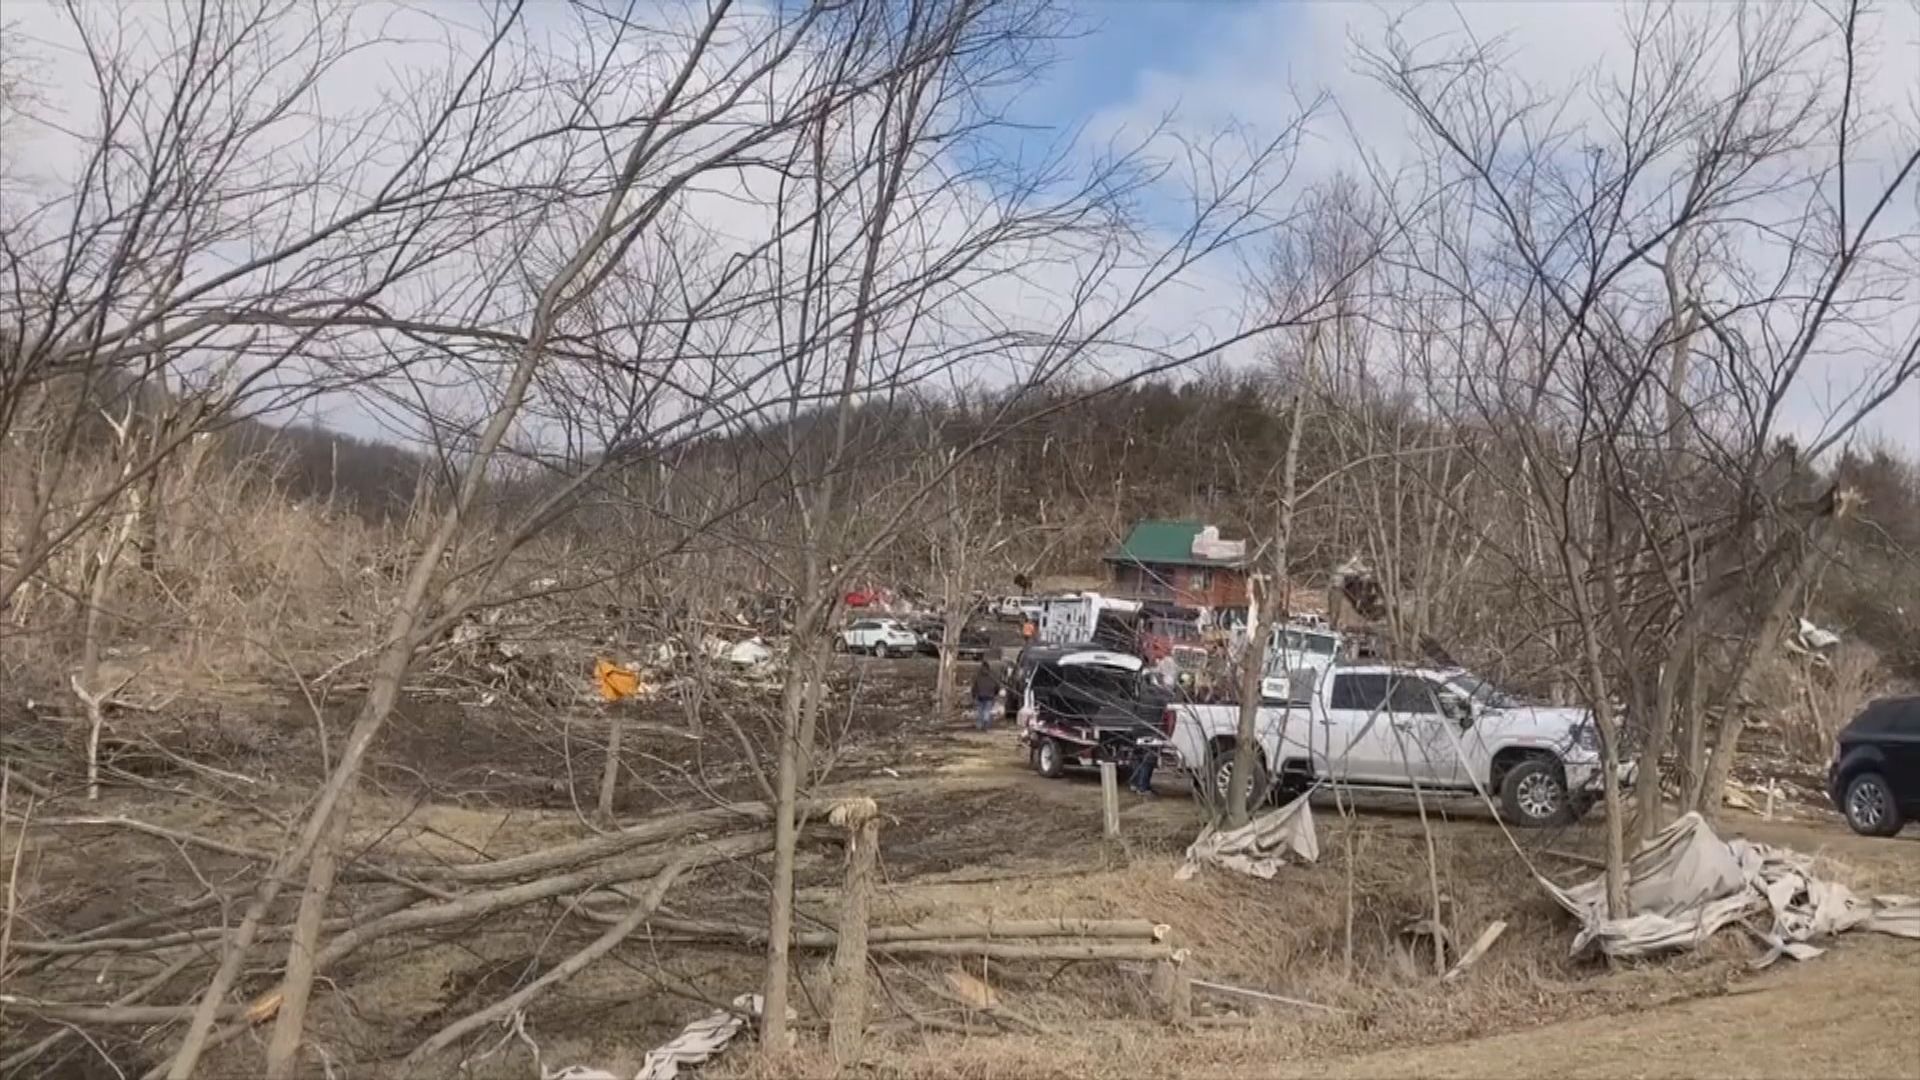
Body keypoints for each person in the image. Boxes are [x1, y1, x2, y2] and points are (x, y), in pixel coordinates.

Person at [969, 659, 1000, 730]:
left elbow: (974, 687)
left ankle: (979, 725)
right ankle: (985, 722)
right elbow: (997, 686)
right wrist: (995, 693)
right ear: (988, 668)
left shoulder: (978, 676)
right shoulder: (992, 676)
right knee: (987, 710)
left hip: (980, 696)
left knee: (980, 711)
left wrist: (973, 695)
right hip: (989, 696)